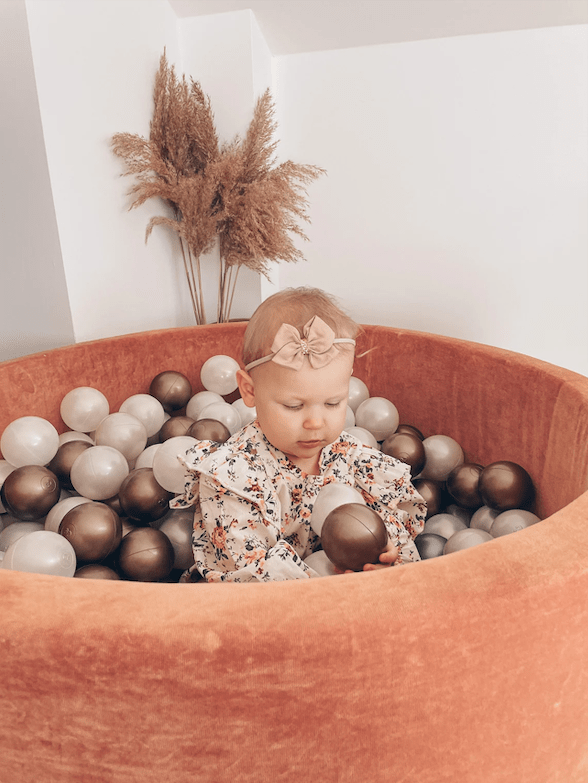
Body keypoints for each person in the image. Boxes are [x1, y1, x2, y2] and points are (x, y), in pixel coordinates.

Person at [172, 287, 426, 583]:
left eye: (333, 403)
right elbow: (246, 570)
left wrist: (384, 555)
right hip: (264, 606)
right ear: (250, 391)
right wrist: (329, 587)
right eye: (294, 406)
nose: (315, 422)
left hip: (353, 594)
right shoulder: (233, 475)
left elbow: (393, 522)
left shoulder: (353, 458)